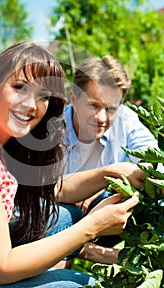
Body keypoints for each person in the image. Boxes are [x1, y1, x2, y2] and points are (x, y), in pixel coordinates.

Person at [0, 42, 145, 288]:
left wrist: (108, 172)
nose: (31, 105)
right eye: (20, 87)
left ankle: (77, 255)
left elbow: (54, 189)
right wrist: (93, 226)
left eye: (43, 95)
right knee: (83, 285)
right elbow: (3, 268)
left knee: (69, 216)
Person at [62, 54, 158, 264]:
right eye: (93, 105)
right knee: (60, 215)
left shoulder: (126, 120)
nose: (102, 118)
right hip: (61, 216)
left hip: (105, 207)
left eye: (111, 109)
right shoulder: (51, 130)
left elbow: (155, 164)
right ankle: (82, 256)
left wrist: (101, 182)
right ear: (73, 98)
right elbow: (40, 193)